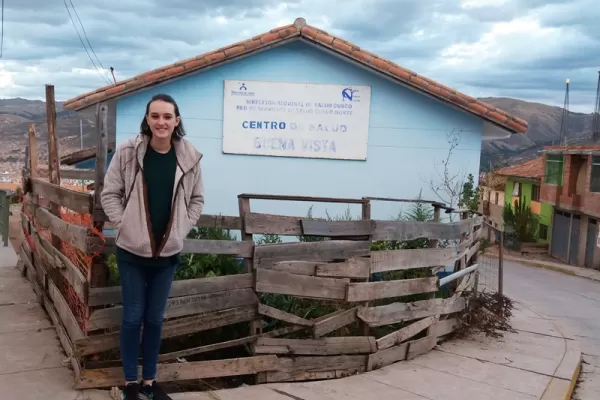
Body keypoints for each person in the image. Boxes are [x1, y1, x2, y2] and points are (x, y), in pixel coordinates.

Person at [101, 93, 204, 400]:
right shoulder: (129, 152)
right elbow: (110, 194)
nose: (161, 122)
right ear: (147, 119)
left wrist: (183, 227)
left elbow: (197, 199)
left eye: (167, 117)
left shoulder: (189, 157)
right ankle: (131, 383)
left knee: (155, 319)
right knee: (133, 317)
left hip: (167, 254)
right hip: (132, 253)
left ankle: (150, 382)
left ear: (177, 120)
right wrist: (125, 225)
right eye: (155, 116)